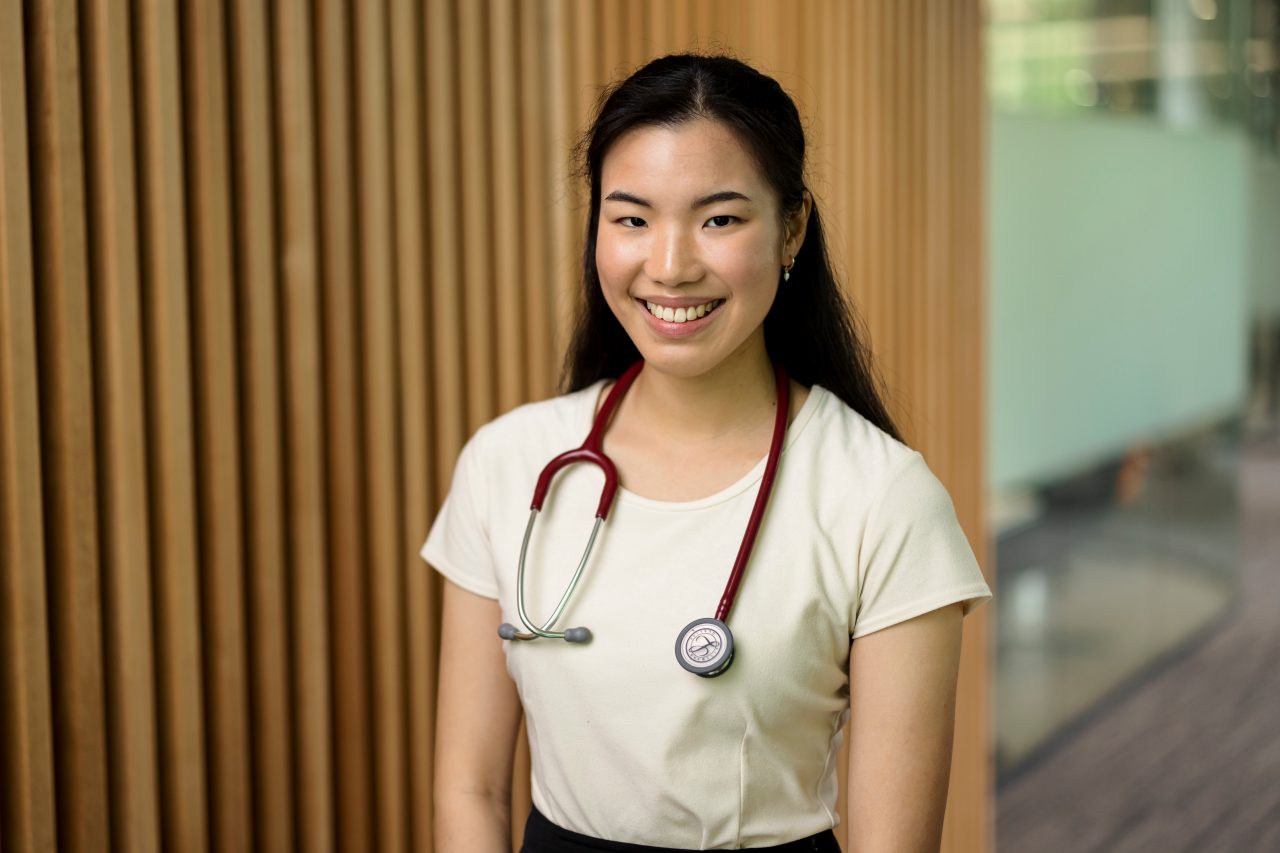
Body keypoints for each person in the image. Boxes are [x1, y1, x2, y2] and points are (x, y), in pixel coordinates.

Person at [425, 53, 992, 852]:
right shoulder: (507, 463)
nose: (669, 265)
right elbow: (471, 788)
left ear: (792, 227)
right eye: (631, 218)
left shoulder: (881, 496)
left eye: (719, 219)